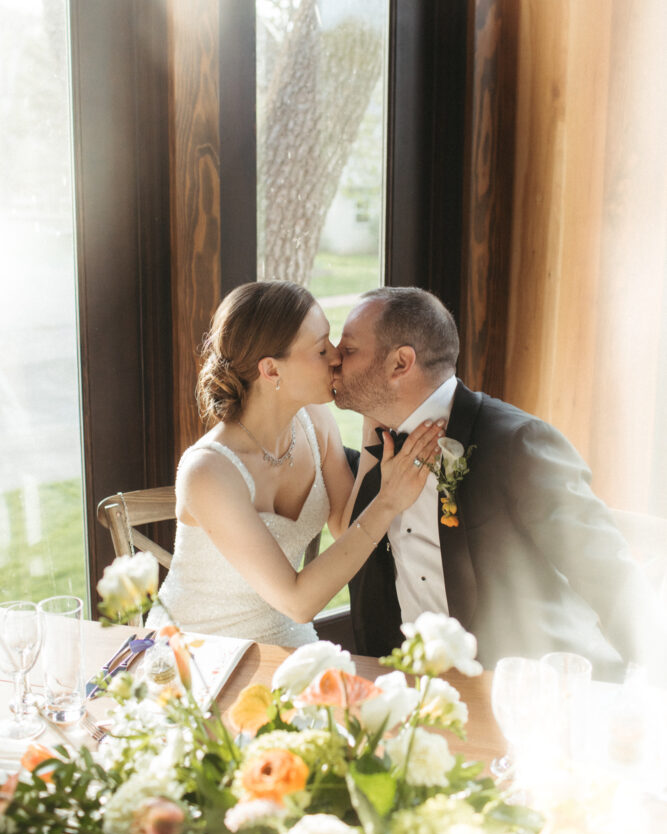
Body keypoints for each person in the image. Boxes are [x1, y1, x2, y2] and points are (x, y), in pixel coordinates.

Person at [334, 286, 665, 682]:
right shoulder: (378, 449)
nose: (335, 360)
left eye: (349, 350)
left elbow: (608, 574)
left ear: (401, 363)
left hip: (522, 691)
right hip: (412, 692)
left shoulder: (517, 443)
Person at [148, 281, 442, 647]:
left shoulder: (315, 421)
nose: (337, 356)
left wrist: (371, 429)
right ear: (271, 370)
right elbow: (299, 603)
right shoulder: (208, 472)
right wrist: (388, 501)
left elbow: (344, 526)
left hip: (283, 638)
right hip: (198, 650)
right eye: (321, 349)